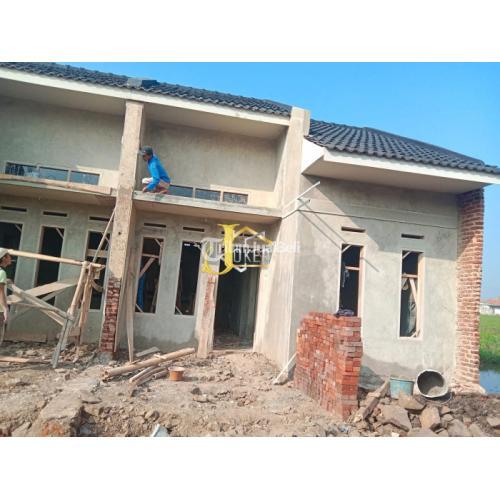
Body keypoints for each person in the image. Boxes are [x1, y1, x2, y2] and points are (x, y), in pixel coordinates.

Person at [0, 248, 12, 329]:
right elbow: (0, 292)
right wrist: (5, 308)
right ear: (4, 258)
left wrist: (5, 280)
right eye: (9, 256)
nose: (10, 258)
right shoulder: (2, 273)